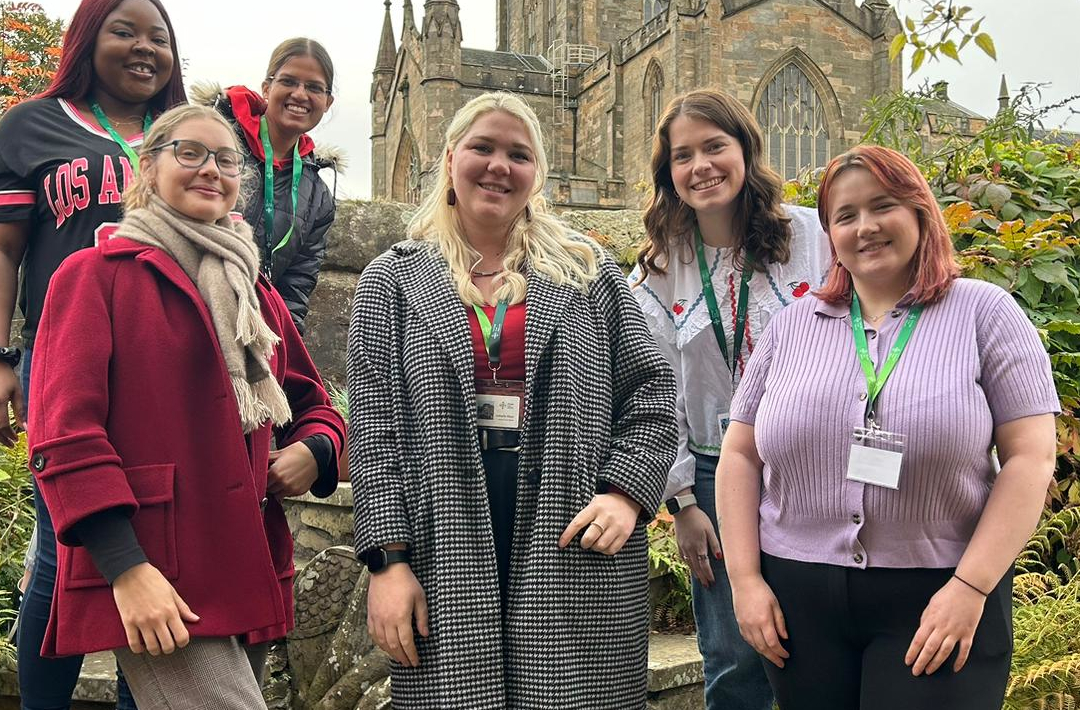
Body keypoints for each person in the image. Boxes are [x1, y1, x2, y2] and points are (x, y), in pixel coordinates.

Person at [347, 91, 678, 708]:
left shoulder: (586, 272)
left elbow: (653, 391)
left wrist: (626, 492)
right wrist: (387, 565)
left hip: (571, 528)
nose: (499, 165)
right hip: (443, 531)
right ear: (450, 160)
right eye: (483, 148)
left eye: (518, 154)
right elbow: (373, 430)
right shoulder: (392, 281)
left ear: (537, 173)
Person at [26, 103, 345, 709]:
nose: (211, 170)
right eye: (189, 153)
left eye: (226, 160)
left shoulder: (253, 289)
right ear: (148, 168)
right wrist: (125, 567)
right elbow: (63, 434)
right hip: (157, 568)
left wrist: (316, 449)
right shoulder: (93, 274)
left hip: (246, 561)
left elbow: (313, 403)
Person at [718, 144, 1059, 710]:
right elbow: (741, 455)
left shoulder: (985, 313)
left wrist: (971, 588)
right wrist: (746, 582)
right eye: (845, 216)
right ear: (829, 233)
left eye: (883, 207)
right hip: (798, 603)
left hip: (940, 596)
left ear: (920, 212)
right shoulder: (790, 325)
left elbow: (1030, 459)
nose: (865, 227)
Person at [0, 0, 186, 707]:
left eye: (158, 37)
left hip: (164, 367)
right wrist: (3, 357)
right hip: (65, 363)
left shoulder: (183, 136)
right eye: (124, 31)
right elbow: (6, 249)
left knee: (157, 550)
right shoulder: (31, 125)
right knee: (66, 546)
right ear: (87, 40)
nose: (144, 48)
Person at [630, 88, 831, 710]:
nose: (701, 166)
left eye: (715, 146)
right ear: (669, 174)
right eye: (682, 156)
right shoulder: (661, 268)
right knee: (734, 660)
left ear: (746, 148)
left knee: (818, 646)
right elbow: (657, 391)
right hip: (715, 476)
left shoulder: (811, 235)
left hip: (811, 464)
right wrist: (683, 503)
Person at [195, 37, 338, 333]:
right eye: (289, 81)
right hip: (188, 313)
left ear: (327, 102)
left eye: (313, 87)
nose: (300, 94)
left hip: (249, 335)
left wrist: (280, 354)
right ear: (266, 88)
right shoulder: (215, 142)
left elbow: (295, 288)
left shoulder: (318, 196)